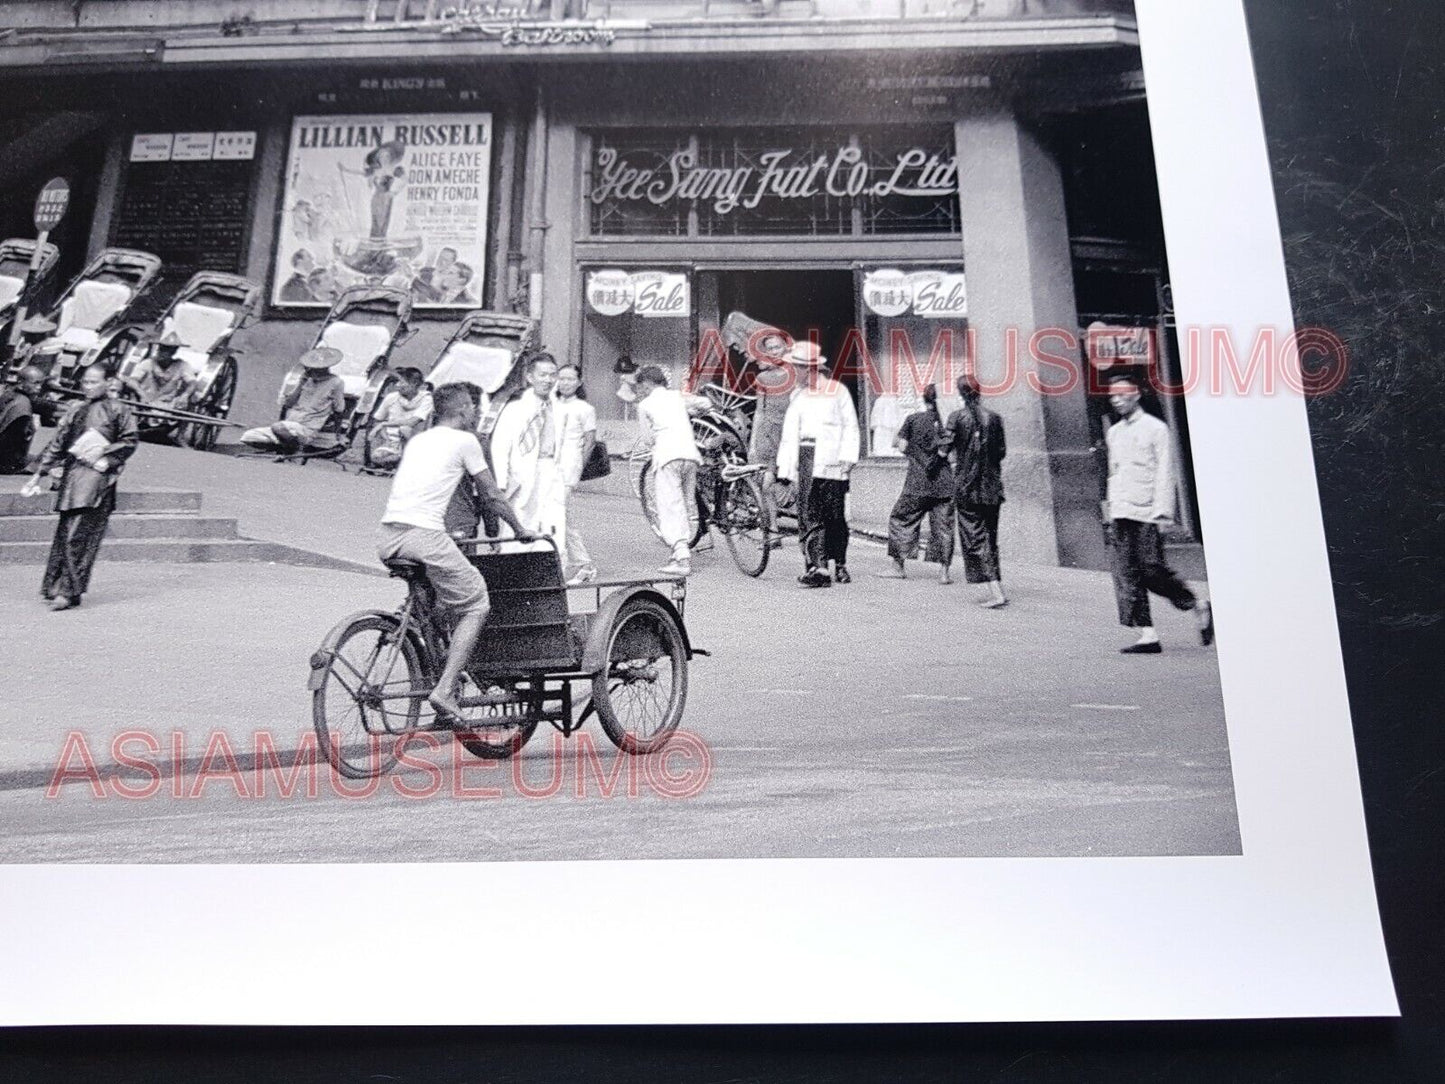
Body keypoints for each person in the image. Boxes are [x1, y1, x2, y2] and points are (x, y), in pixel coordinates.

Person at [377, 382, 537, 720]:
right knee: (477, 601)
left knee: (435, 603)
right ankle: (445, 689)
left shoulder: (420, 439)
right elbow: (491, 495)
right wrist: (520, 529)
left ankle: (435, 664)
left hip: (389, 536)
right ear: (464, 409)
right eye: (473, 408)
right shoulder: (466, 441)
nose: (476, 413)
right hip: (425, 535)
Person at [1103, 373, 1213, 653]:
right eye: (1112, 396)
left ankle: (1196, 604)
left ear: (1136, 394)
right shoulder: (1114, 432)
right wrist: (1111, 509)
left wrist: (1162, 512)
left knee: (1151, 569)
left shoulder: (1155, 428)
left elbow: (1166, 471)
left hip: (1147, 510)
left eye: (1122, 394)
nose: (1116, 400)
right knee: (1126, 573)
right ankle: (1147, 634)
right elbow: (1114, 473)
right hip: (1121, 510)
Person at [22, 362, 139, 610]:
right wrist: (41, 471)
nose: (88, 386)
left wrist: (105, 455)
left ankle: (67, 590)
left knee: (80, 536)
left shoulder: (119, 410)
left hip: (98, 479)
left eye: (94, 382)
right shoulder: (77, 409)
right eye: (85, 382)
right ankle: (58, 587)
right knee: (66, 534)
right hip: (73, 476)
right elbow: (60, 441)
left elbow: (129, 440)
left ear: (109, 382)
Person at [775, 341, 859, 588]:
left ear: (808, 368)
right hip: (807, 456)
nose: (794, 373)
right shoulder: (798, 397)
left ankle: (839, 563)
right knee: (810, 514)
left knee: (834, 515)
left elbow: (850, 426)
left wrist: (848, 458)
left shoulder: (837, 391)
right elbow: (790, 434)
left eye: (797, 368)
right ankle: (817, 567)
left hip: (833, 458)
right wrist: (786, 469)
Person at [879, 384, 955, 583]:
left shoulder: (913, 419)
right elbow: (953, 456)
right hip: (944, 483)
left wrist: (914, 451)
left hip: (917, 482)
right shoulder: (948, 423)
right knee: (943, 527)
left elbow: (901, 445)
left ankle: (898, 567)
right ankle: (944, 572)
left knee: (901, 518)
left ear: (924, 399)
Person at [633, 365, 702, 576]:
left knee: (670, 504)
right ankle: (685, 543)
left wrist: (656, 437)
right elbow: (703, 403)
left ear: (646, 384)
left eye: (640, 387)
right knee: (687, 502)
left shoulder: (645, 405)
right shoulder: (677, 397)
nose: (639, 391)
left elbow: (647, 439)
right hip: (690, 455)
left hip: (667, 457)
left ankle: (681, 557)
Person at [946, 375, 1008, 608]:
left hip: (968, 487)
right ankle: (997, 585)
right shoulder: (994, 418)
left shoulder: (956, 417)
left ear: (960, 393)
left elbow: (945, 448)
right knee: (990, 537)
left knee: (975, 539)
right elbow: (1001, 452)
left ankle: (996, 590)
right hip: (992, 487)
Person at [490, 353, 565, 542]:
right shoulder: (515, 409)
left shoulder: (560, 409)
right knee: (519, 523)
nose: (548, 380)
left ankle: (551, 567)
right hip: (521, 474)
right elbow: (500, 447)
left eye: (552, 375)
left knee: (553, 523)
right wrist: (501, 482)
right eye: (543, 375)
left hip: (551, 471)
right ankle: (515, 568)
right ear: (530, 377)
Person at [239, 347, 346, 453]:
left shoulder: (336, 382)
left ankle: (292, 448)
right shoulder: (306, 380)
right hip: (289, 426)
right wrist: (301, 383)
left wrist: (337, 435)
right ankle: (285, 446)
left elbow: (339, 410)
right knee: (248, 436)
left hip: (306, 429)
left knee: (278, 427)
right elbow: (288, 404)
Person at [554, 361, 599, 585]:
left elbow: (590, 441)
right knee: (561, 515)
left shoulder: (585, 409)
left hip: (570, 463)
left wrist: (579, 466)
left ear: (579, 382)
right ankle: (584, 564)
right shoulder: (550, 404)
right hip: (550, 464)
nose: (565, 383)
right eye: (561, 378)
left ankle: (561, 566)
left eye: (570, 379)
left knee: (559, 513)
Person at [129, 331, 196, 443]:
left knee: (193, 397)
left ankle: (180, 436)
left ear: (173, 352)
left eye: (167, 350)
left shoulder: (181, 365)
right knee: (131, 395)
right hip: (147, 401)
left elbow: (192, 382)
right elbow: (132, 380)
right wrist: (141, 394)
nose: (163, 352)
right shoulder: (148, 363)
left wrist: (185, 395)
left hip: (168, 404)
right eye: (162, 349)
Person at [366, 367, 433, 469]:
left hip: (413, 440)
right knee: (376, 457)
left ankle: (406, 459)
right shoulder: (391, 397)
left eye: (401, 382)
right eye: (397, 382)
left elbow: (412, 422)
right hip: (391, 442)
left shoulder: (427, 399)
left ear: (414, 384)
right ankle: (396, 459)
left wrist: (385, 424)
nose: (398, 385)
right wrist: (386, 438)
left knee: (404, 429)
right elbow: (378, 420)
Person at [0, 364, 44, 473]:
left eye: (41, 383)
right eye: (35, 383)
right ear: (21, 383)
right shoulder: (23, 407)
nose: (39, 387)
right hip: (8, 462)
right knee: (42, 462)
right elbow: (13, 443)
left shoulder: (9, 394)